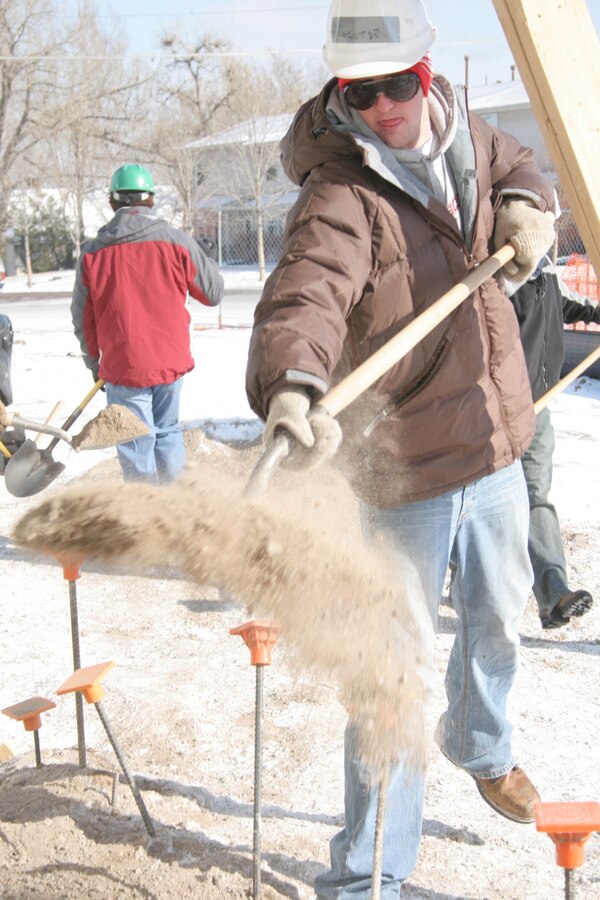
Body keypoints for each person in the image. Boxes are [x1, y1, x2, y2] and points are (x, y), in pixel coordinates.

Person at [244, 1, 557, 896]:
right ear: (340, 96)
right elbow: (306, 290)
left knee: (497, 618)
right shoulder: (341, 191)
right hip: (408, 467)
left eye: (398, 85)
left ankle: (482, 743)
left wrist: (528, 205)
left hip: (493, 439)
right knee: (391, 675)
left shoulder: (470, 134)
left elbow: (519, 162)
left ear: (429, 73)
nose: (383, 106)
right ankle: (368, 874)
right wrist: (292, 383)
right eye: (360, 91)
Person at [71, 164, 224, 483]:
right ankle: (170, 511)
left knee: (134, 441)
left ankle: (145, 515)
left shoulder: (92, 253)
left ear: (113, 201)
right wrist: (204, 258)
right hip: (169, 363)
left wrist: (93, 360)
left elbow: (82, 316)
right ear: (150, 199)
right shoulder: (176, 242)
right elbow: (213, 293)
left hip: (122, 367)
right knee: (167, 432)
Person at [506, 254, 599, 629]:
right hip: (498, 410)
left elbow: (570, 307)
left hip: (538, 411)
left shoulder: (547, 280)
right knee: (473, 498)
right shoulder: (503, 285)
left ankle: (554, 597)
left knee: (535, 496)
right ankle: (458, 568)